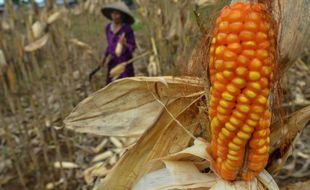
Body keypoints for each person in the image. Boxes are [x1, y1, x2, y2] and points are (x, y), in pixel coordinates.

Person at [100, 2, 136, 84]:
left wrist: (125, 44)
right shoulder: (108, 28)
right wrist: (104, 57)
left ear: (122, 15)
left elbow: (133, 46)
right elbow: (109, 45)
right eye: (113, 13)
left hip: (124, 62)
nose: (115, 16)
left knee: (125, 83)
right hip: (113, 61)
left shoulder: (127, 29)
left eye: (117, 14)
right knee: (113, 83)